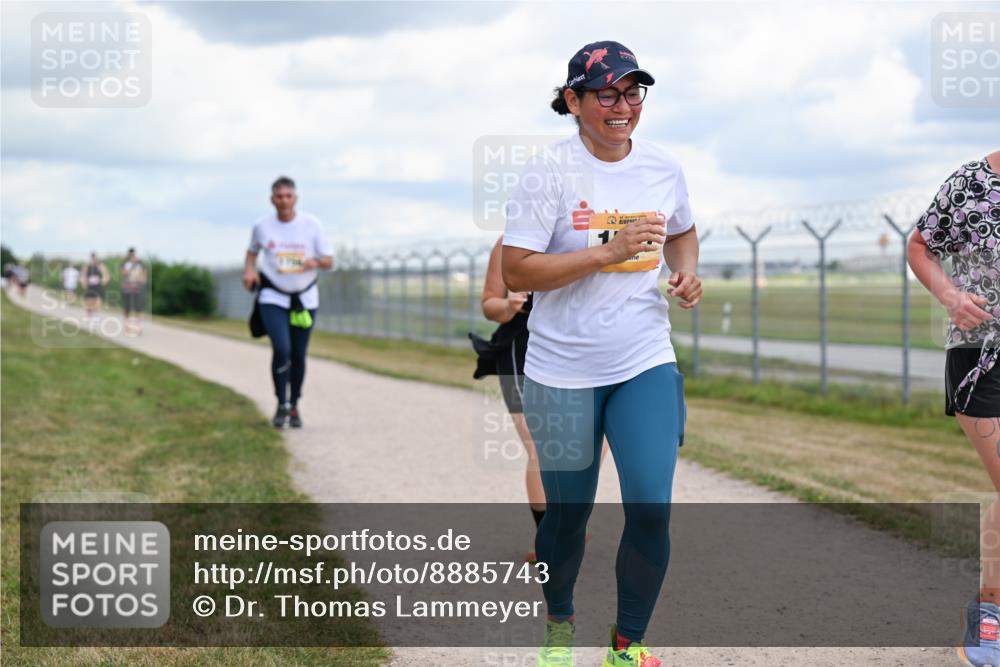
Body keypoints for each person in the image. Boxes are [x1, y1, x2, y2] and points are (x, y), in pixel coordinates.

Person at [502, 41, 701, 667]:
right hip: (561, 370)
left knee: (650, 505)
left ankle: (626, 645)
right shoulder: (548, 172)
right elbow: (516, 269)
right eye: (607, 94)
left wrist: (686, 273)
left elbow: (683, 230)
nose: (623, 106)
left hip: (643, 358)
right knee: (566, 516)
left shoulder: (664, 168)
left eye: (633, 92)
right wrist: (604, 253)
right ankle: (559, 625)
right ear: (574, 101)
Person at [907, 152, 1000, 667]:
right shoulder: (973, 182)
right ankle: (989, 616)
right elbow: (921, 245)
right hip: (981, 359)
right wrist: (949, 295)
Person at [243, 176, 333, 429]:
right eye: (279, 196)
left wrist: (313, 262)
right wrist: (249, 271)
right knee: (281, 349)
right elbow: (251, 253)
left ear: (296, 198)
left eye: (288, 196)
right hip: (273, 296)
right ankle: (281, 402)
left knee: (298, 354)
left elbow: (329, 260)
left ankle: (294, 405)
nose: (284, 201)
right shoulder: (262, 226)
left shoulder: (312, 225)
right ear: (272, 199)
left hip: (304, 298)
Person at [120, 247, 148, 335]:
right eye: (130, 253)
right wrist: (132, 265)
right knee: (127, 309)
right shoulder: (125, 263)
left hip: (138, 288)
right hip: (128, 288)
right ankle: (127, 327)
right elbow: (123, 273)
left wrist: (143, 281)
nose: (132, 255)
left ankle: (138, 327)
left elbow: (144, 274)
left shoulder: (141, 263)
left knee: (139, 308)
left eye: (133, 253)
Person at [80, 253, 109, 318]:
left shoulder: (100, 265)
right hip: (90, 285)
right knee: (89, 300)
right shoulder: (87, 266)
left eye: (95, 258)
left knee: (98, 299)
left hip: (98, 285)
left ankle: (96, 313)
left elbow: (105, 274)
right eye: (93, 258)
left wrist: (105, 282)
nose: (94, 259)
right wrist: (83, 283)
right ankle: (89, 313)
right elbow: (83, 275)